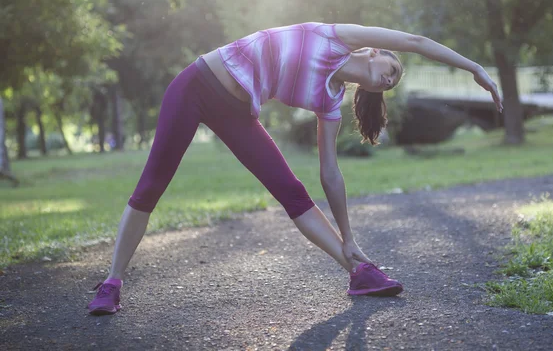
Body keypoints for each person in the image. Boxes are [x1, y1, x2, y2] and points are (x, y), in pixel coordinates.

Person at [87, 22, 503, 315]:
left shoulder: (330, 99)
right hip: (195, 85)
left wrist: (350, 236)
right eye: (391, 69)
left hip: (236, 111)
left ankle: (359, 271)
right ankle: (111, 284)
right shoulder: (336, 36)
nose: (389, 80)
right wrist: (475, 69)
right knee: (151, 187)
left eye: (392, 84)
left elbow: (330, 174)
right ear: (374, 53)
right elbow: (415, 40)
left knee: (294, 193)